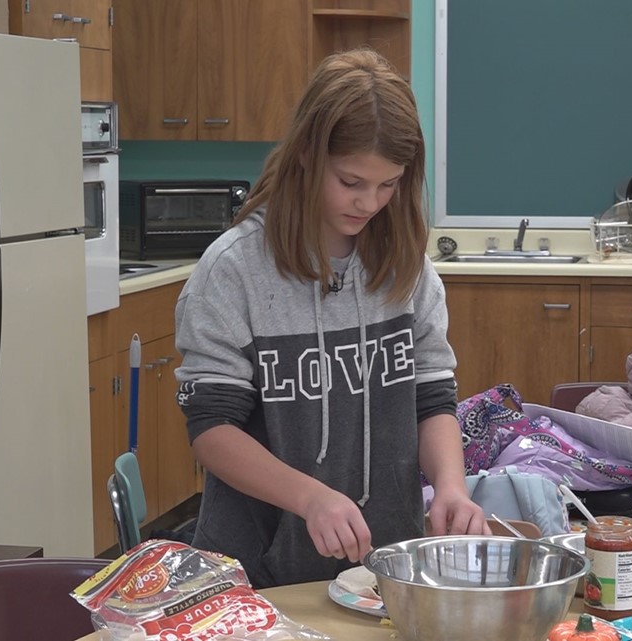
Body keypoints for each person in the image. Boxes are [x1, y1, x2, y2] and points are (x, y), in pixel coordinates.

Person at [173, 48, 488, 589]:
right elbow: (212, 429)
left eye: (387, 184)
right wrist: (309, 497)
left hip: (383, 567)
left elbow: (432, 397)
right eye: (350, 181)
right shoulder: (233, 270)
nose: (369, 202)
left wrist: (452, 487)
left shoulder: (407, 265)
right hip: (260, 575)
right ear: (305, 157)